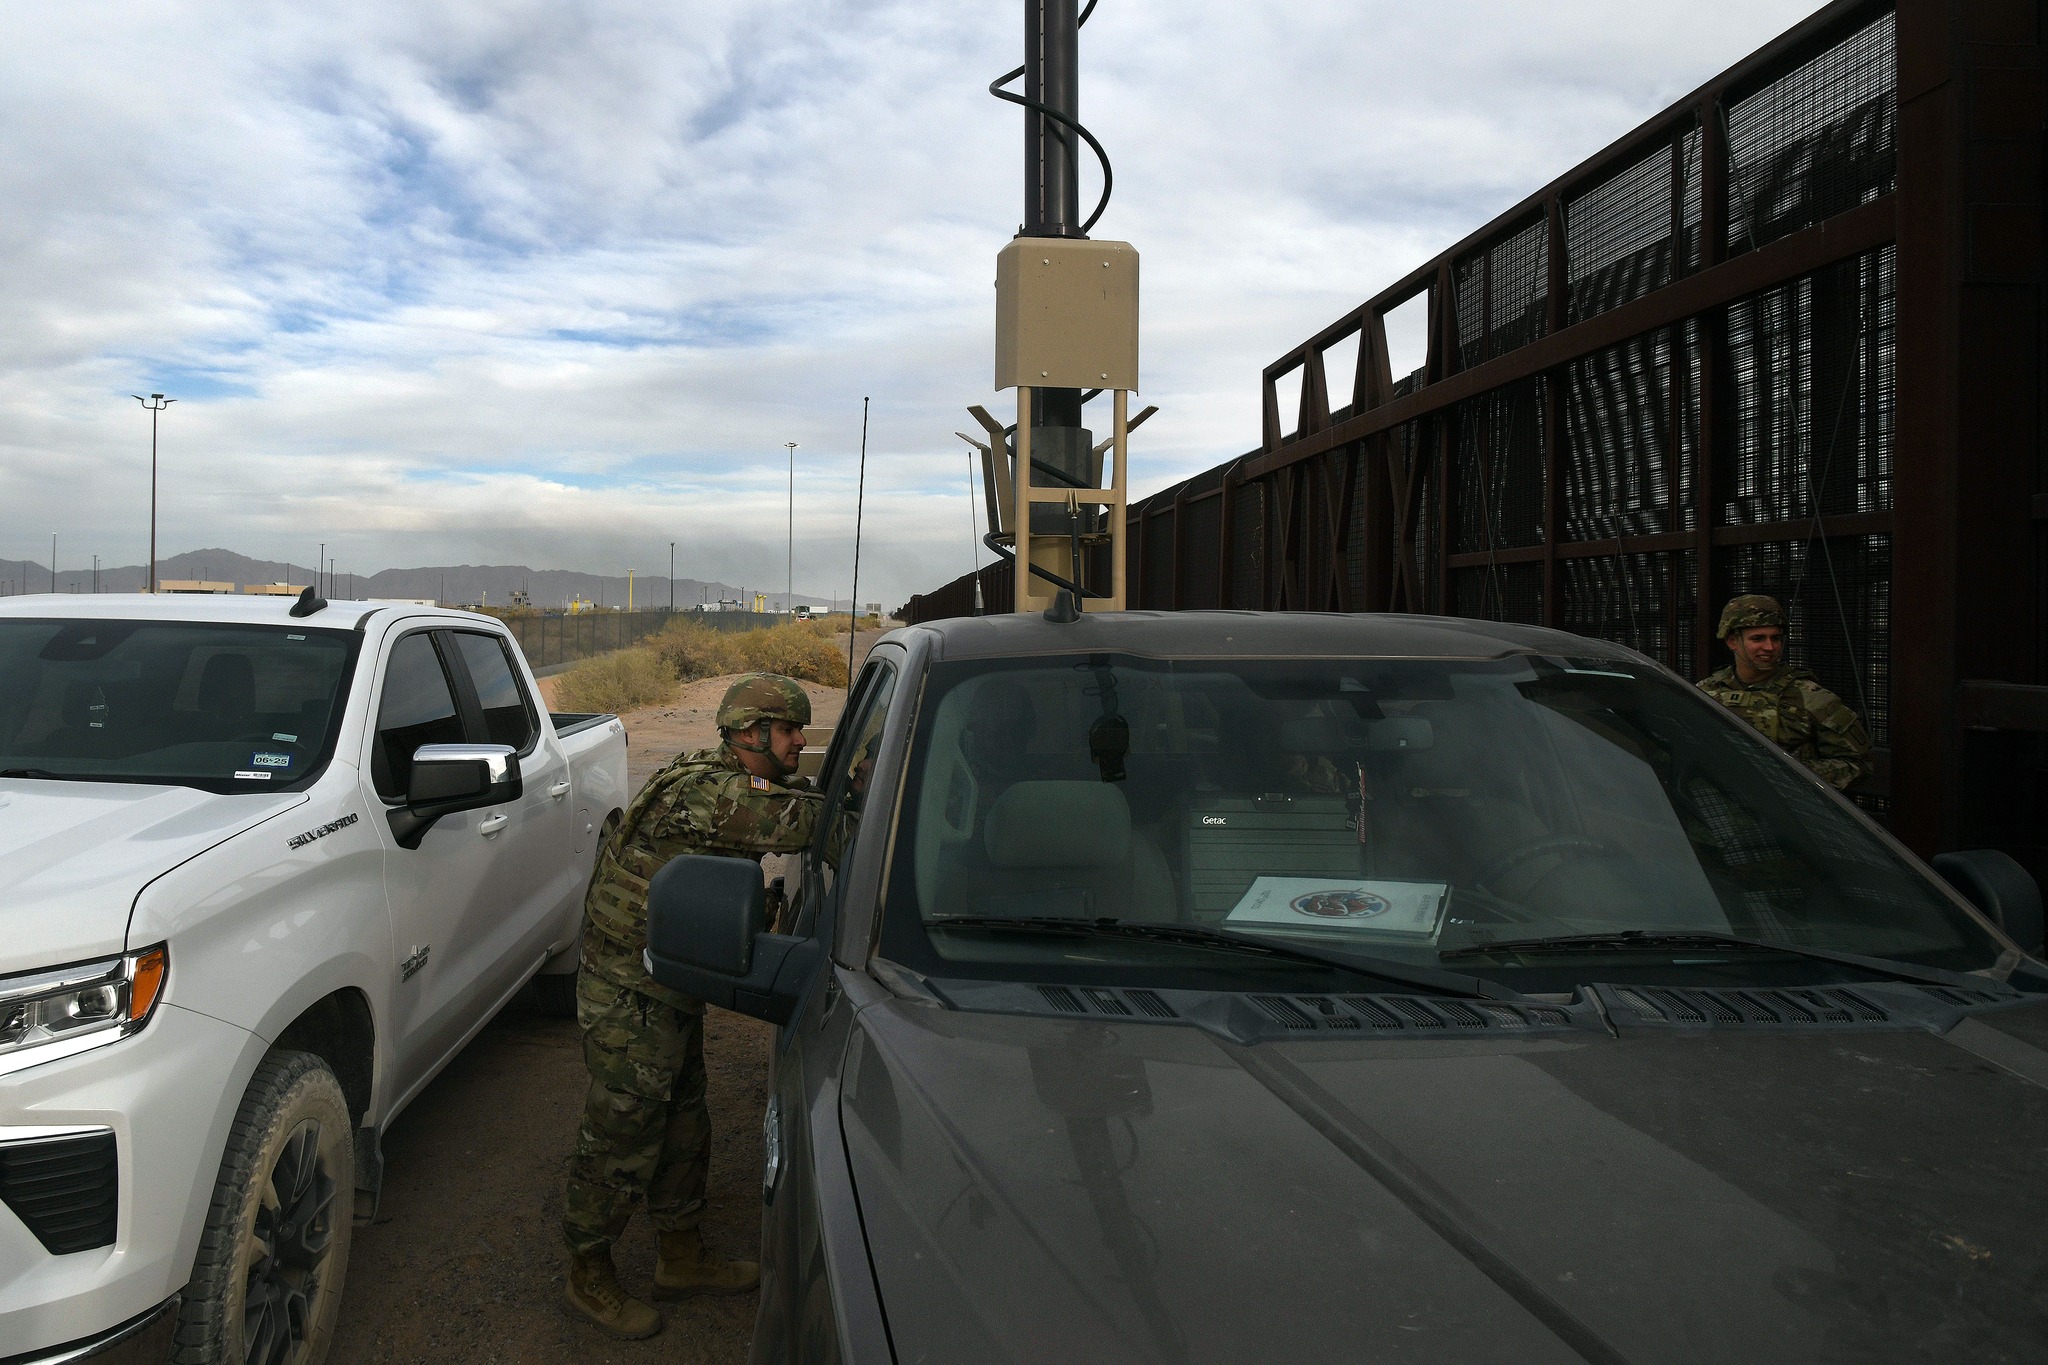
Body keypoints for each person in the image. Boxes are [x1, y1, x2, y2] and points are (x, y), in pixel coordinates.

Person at [559, 673, 823, 1339]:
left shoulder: (728, 777)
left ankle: (680, 1256)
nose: (798, 741)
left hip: (665, 974)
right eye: (788, 729)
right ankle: (586, 1271)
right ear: (748, 734)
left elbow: (787, 798)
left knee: (682, 1117)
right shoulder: (716, 792)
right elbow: (809, 825)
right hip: (627, 984)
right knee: (623, 1125)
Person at [1698, 594, 1872, 791]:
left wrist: (1790, 774)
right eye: (1758, 639)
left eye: (1776, 638)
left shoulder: (1810, 697)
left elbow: (1858, 764)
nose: (1769, 647)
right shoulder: (1706, 692)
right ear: (1732, 641)